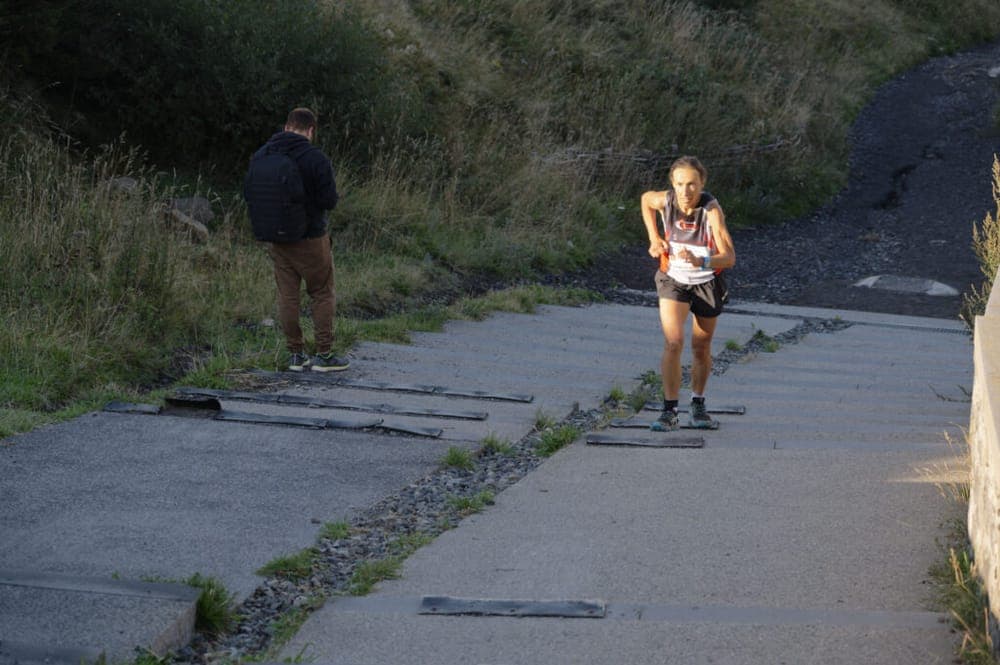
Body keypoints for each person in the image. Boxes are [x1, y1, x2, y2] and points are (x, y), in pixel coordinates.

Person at [249, 107, 349, 372]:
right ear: (311, 130)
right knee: (321, 292)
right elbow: (330, 201)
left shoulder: (263, 154)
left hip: (277, 239)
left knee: (288, 296)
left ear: (286, 126)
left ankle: (295, 354)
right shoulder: (315, 158)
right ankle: (324, 355)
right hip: (312, 238)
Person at [640, 156, 735, 430]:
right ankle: (669, 411)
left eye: (692, 184)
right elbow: (646, 199)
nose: (686, 192)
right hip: (674, 280)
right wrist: (654, 238)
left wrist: (702, 261)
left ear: (702, 183)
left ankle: (697, 403)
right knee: (673, 342)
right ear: (673, 184)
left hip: (707, 283)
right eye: (680, 184)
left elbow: (729, 258)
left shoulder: (711, 211)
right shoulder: (667, 201)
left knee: (701, 347)